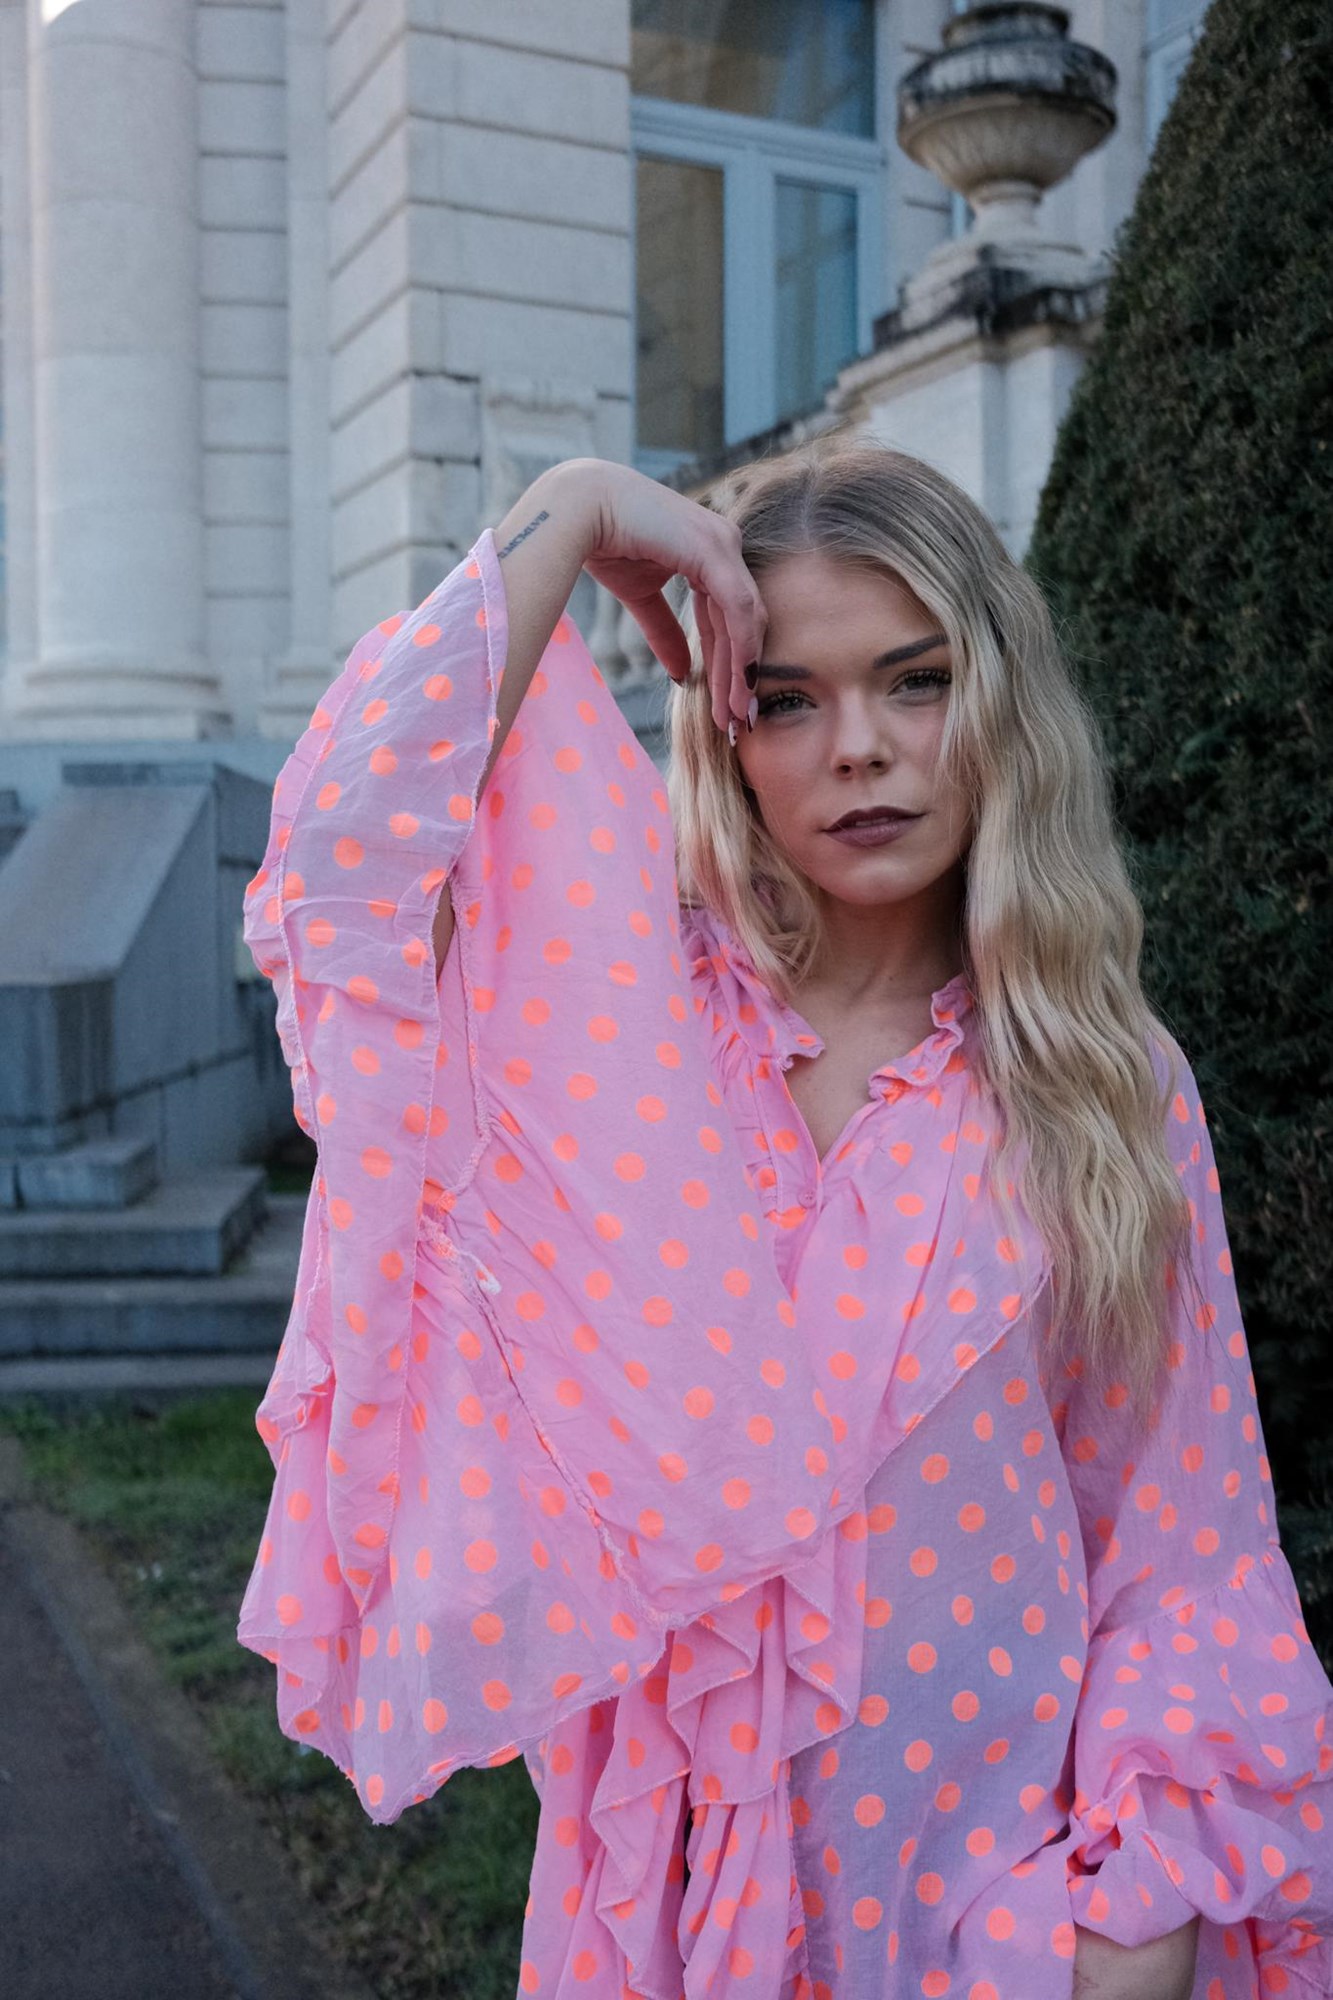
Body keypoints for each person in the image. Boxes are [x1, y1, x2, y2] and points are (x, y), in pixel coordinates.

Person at [238, 446, 1333, 2000]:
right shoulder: (635, 1028)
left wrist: (1129, 1924)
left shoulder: (1100, 1079)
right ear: (724, 731)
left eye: (914, 681)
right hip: (663, 1920)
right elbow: (341, 875)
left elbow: (1180, 1537)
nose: (860, 748)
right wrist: (574, 512)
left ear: (997, 701)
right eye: (788, 699)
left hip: (985, 1922)